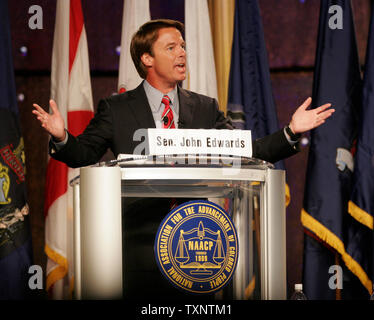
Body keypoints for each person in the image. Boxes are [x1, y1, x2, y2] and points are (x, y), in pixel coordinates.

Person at [32, 19, 334, 298]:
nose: (182, 54)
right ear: (147, 59)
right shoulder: (117, 108)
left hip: (195, 247)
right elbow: (83, 154)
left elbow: (245, 152)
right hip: (136, 247)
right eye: (171, 47)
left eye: (184, 47)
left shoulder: (204, 108)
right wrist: (61, 136)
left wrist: (290, 132)